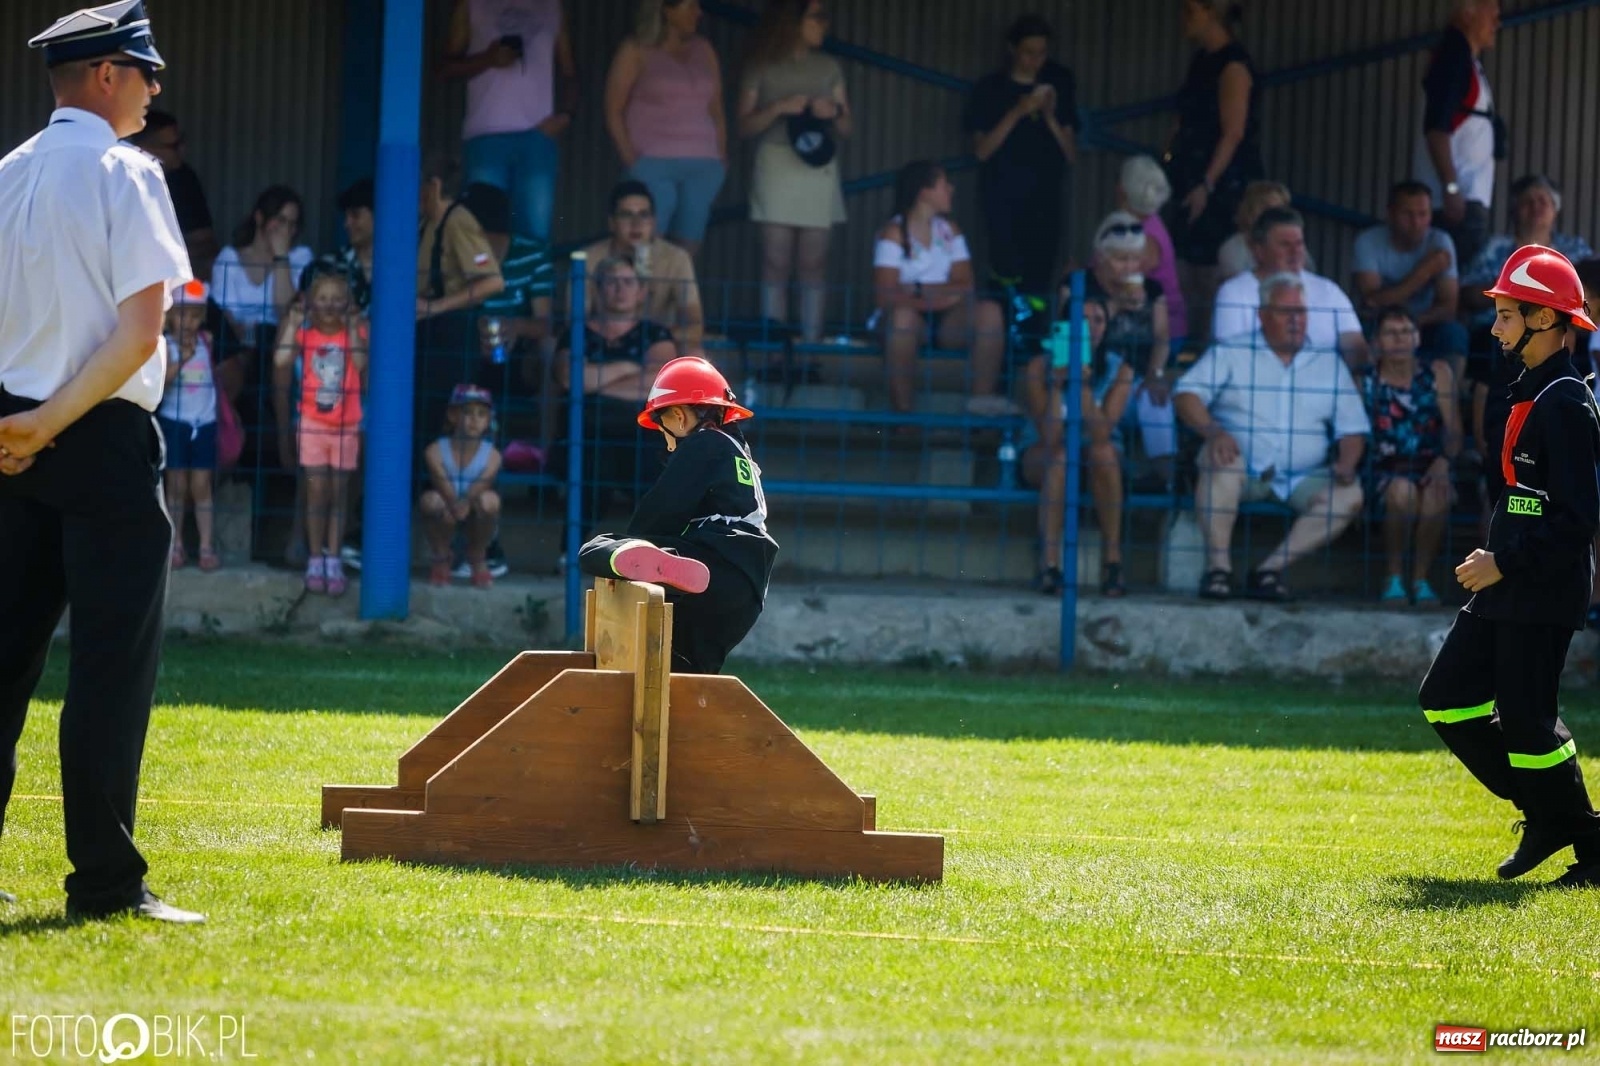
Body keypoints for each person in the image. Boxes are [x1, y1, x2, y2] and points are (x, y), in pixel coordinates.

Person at [0, 0, 203, 923]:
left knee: (3, 663)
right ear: (110, 74)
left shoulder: (8, 173)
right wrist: (50, 421)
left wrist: (22, 426)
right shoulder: (130, 173)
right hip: (98, 438)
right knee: (110, 670)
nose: (155, 89)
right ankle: (107, 885)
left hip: (10, 438)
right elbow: (139, 337)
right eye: (146, 72)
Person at [1417, 244, 1600, 890]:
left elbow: (1577, 519)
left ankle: (1584, 838)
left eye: (1505, 315)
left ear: (1545, 320)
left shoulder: (1567, 403)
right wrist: (1498, 561)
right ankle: (1554, 818)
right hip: (1508, 583)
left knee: (1528, 720)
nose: (1494, 327)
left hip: (1540, 589)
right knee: (1446, 699)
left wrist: (1504, 562)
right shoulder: (1532, 388)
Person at [1175, 274, 1370, 602]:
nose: (1296, 320)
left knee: (1350, 495)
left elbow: (1352, 428)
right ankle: (1218, 569)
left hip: (1302, 477)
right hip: (1243, 470)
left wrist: (1347, 463)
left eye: (1301, 312)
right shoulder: (1232, 351)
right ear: (1262, 315)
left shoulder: (1328, 362)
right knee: (1217, 458)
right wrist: (1214, 432)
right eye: (1285, 312)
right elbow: (1186, 394)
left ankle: (1269, 571)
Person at [578, 356, 779, 674]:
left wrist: (633, 543)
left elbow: (659, 514)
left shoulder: (704, 444)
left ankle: (656, 563)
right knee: (688, 673)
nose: (668, 444)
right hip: (747, 590)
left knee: (596, 548)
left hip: (713, 560)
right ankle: (670, 570)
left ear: (679, 417)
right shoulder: (740, 454)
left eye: (664, 430)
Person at [737, 0, 851, 344]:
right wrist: (778, 107)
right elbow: (742, 125)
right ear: (793, 20)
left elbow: (848, 128)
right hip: (776, 162)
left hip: (816, 165)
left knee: (814, 263)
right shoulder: (761, 65)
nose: (824, 24)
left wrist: (834, 112)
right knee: (776, 261)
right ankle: (775, 350)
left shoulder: (829, 67)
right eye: (817, 17)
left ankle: (811, 351)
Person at [965, 13, 1078, 338]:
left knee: (1040, 278)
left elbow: (1071, 154)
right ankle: (1002, 340)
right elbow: (981, 151)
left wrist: (1050, 116)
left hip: (1045, 198)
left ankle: (1033, 342)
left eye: (1041, 53)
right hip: (1001, 197)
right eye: (1028, 52)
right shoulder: (990, 88)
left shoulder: (1059, 82)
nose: (1035, 61)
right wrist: (1018, 111)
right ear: (1012, 49)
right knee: (1004, 273)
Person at [872, 161, 1008, 416]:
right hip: (904, 320)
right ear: (924, 192)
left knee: (990, 312)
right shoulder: (893, 233)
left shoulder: (950, 230)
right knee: (902, 319)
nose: (951, 189)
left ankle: (980, 408)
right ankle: (904, 415)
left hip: (946, 321)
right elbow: (885, 296)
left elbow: (965, 285)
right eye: (944, 184)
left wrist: (917, 288)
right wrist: (942, 296)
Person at [438, 0, 579, 243]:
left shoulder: (551, 5)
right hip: (485, 135)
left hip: (537, 137)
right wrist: (488, 59)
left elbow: (569, 71)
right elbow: (443, 69)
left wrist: (566, 116)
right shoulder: (472, 4)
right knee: (479, 232)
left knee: (535, 235)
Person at [1022, 294, 1134, 597]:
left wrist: (1081, 386)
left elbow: (1101, 433)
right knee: (1060, 457)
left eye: (1098, 321)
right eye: (1081, 321)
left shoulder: (1120, 370)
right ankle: (1049, 564)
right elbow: (1050, 435)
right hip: (1045, 452)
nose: (1091, 328)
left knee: (1104, 453)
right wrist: (1057, 387)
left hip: (1097, 455)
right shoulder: (1038, 367)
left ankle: (1112, 561)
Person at [556, 255, 679, 531]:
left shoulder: (655, 334)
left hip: (641, 432)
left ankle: (655, 549)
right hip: (587, 431)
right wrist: (629, 368)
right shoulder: (576, 332)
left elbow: (661, 383)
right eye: (611, 282)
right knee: (589, 468)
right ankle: (572, 551)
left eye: (628, 282)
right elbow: (569, 378)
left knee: (656, 474)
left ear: (641, 291)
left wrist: (596, 382)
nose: (620, 289)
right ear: (598, 290)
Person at [1162, 0, 1264, 316]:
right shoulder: (1201, 60)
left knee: (1213, 267)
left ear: (1212, 12)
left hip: (1221, 185)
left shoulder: (1233, 64)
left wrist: (1207, 183)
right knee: (1184, 265)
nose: (1184, 18)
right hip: (1188, 174)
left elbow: (1233, 132)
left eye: (1191, 11)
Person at [605, 0, 727, 259]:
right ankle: (638, 288)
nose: (699, 13)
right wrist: (632, 161)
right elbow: (613, 109)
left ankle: (676, 289)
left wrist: (721, 157)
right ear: (666, 9)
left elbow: (716, 108)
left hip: (703, 164)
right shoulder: (636, 49)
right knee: (644, 247)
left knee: (687, 250)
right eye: (690, 6)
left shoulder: (704, 49)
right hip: (653, 162)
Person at [273, 272, 367, 596]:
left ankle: (333, 558)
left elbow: (360, 364)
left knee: (338, 493)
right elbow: (281, 358)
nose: (329, 305)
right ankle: (315, 558)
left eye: (337, 299)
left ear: (348, 304)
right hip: (312, 425)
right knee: (315, 490)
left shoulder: (355, 333)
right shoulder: (305, 334)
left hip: (346, 427)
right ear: (311, 304)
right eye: (322, 299)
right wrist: (292, 323)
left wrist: (353, 328)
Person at [1362, 306, 1462, 606]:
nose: (1400, 339)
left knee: (1436, 496)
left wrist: (1443, 462)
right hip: (1383, 468)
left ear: (1418, 338)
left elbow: (1454, 431)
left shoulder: (1438, 373)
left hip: (1431, 464)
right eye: (1391, 333)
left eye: (1406, 332)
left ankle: (1420, 579)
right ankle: (1393, 577)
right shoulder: (1366, 380)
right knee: (1401, 493)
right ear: (1377, 341)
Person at [416, 153, 506, 435]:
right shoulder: (425, 223)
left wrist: (438, 306)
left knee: (440, 417)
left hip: (451, 335)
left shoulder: (458, 220)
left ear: (434, 186)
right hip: (426, 333)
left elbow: (492, 281)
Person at [1212, 206, 1368, 368]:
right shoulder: (1233, 292)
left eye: (1299, 244)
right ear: (1259, 251)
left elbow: (1355, 348)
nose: (1295, 252)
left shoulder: (1329, 291)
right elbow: (1229, 356)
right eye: (1285, 245)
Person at [1085, 211, 1178, 485]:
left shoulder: (1152, 289)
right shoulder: (1080, 285)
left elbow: (1162, 336)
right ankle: (1110, 475)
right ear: (1101, 258)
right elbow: (1073, 336)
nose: (1129, 267)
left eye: (1135, 259)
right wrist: (1116, 306)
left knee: (1157, 400)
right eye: (1121, 259)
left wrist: (1155, 373)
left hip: (1136, 381)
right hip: (1094, 381)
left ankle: (1165, 483)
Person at [1414, 0, 1502, 269]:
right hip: (1457, 201)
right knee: (1459, 277)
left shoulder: (1467, 61)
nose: (1497, 24)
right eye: (1492, 15)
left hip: (1465, 197)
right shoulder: (1453, 57)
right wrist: (1451, 187)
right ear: (1467, 12)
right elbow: (1436, 129)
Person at [209, 185, 314, 406]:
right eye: (280, 220)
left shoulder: (300, 258)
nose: (286, 230)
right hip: (239, 344)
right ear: (259, 218)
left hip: (282, 345)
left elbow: (285, 309)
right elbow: (223, 314)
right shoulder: (229, 257)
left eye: (292, 224)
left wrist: (281, 257)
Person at [1352, 180, 1468, 377]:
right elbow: (1372, 301)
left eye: (1423, 214)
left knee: (1454, 334)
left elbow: (1448, 307)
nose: (1416, 223)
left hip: (1427, 323)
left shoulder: (1440, 241)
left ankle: (1449, 393)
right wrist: (1424, 272)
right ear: (1390, 214)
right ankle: (1368, 390)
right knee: (1357, 334)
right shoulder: (1368, 241)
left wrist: (1411, 325)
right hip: (1380, 324)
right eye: (1407, 214)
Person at [1460, 175, 1594, 345]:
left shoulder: (1575, 249)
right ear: (1514, 211)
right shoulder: (1494, 248)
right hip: (1499, 331)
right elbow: (1468, 295)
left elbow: (1594, 289)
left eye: (1542, 201)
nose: (1535, 206)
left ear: (1555, 210)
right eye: (1527, 202)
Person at [583, 180, 703, 354]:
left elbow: (694, 326)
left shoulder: (676, 258)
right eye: (626, 215)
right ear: (612, 222)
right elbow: (576, 323)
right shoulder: (589, 259)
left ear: (653, 222)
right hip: (604, 343)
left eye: (644, 215)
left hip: (660, 347)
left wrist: (652, 339)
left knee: (695, 353)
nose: (636, 224)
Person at [158, 280, 223, 573]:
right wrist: (182, 359)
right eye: (182, 314)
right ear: (170, 315)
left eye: (196, 315)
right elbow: (163, 382)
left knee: (201, 486)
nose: (188, 322)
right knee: (176, 486)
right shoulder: (165, 345)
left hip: (204, 422)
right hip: (175, 422)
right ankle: (176, 544)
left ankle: (206, 545)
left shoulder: (207, 342)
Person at [422, 384, 503, 589]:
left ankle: (477, 554)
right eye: (468, 412)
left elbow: (480, 488)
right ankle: (441, 554)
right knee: (430, 501)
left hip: (473, 511)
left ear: (488, 421)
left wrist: (465, 503)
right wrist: (454, 505)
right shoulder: (435, 451)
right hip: (447, 509)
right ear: (453, 415)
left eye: (481, 414)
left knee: (490, 501)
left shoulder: (493, 456)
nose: (474, 419)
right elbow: (443, 487)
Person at [125, 109, 218, 281]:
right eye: (173, 146)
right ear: (145, 149)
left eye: (182, 142)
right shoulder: (122, 179)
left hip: (179, 279)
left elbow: (204, 241)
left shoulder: (184, 180)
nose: (182, 150)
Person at [1118, 155, 1187, 347]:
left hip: (1158, 335)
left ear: (1123, 189)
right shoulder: (1134, 224)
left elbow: (1126, 283)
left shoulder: (1148, 235)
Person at [1215, 179, 1317, 281]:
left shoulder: (1295, 245)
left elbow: (1307, 275)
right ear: (1250, 210)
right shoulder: (1232, 248)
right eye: (1268, 209)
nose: (1276, 215)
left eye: (1280, 209)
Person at [300, 177, 375, 314]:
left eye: (355, 215)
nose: (347, 224)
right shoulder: (324, 267)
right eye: (346, 216)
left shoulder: (405, 267)